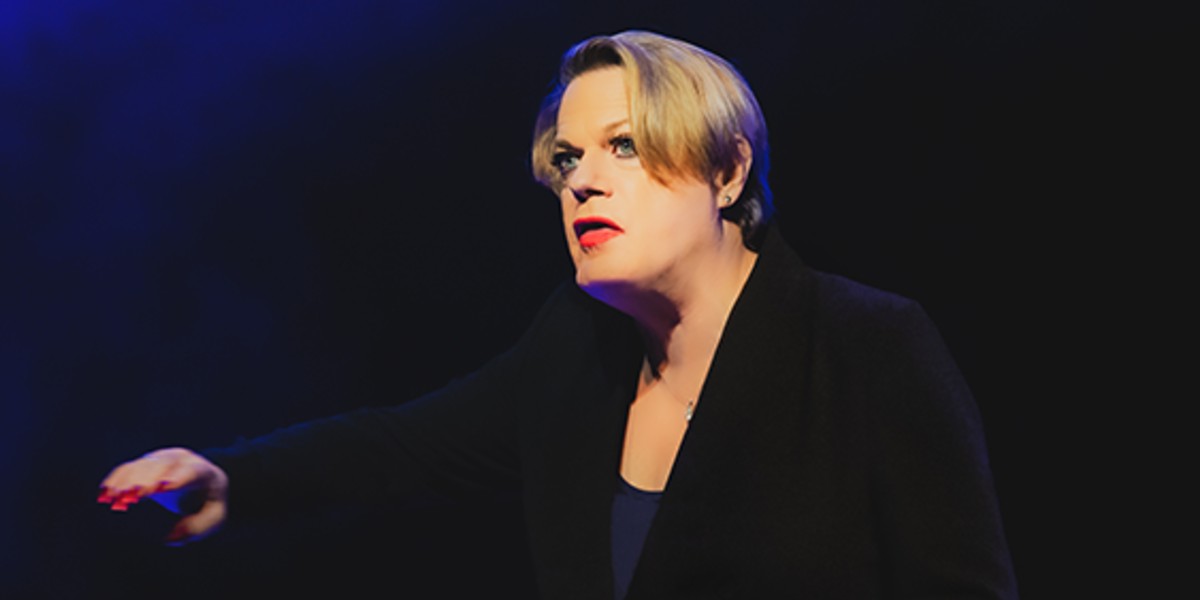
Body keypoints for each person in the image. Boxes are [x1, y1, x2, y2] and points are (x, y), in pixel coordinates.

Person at [98, 30, 1018, 598]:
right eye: (570, 158)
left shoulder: (865, 344)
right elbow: (402, 444)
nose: (582, 181)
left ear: (728, 171)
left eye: (625, 146)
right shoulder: (577, 352)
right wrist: (234, 477)